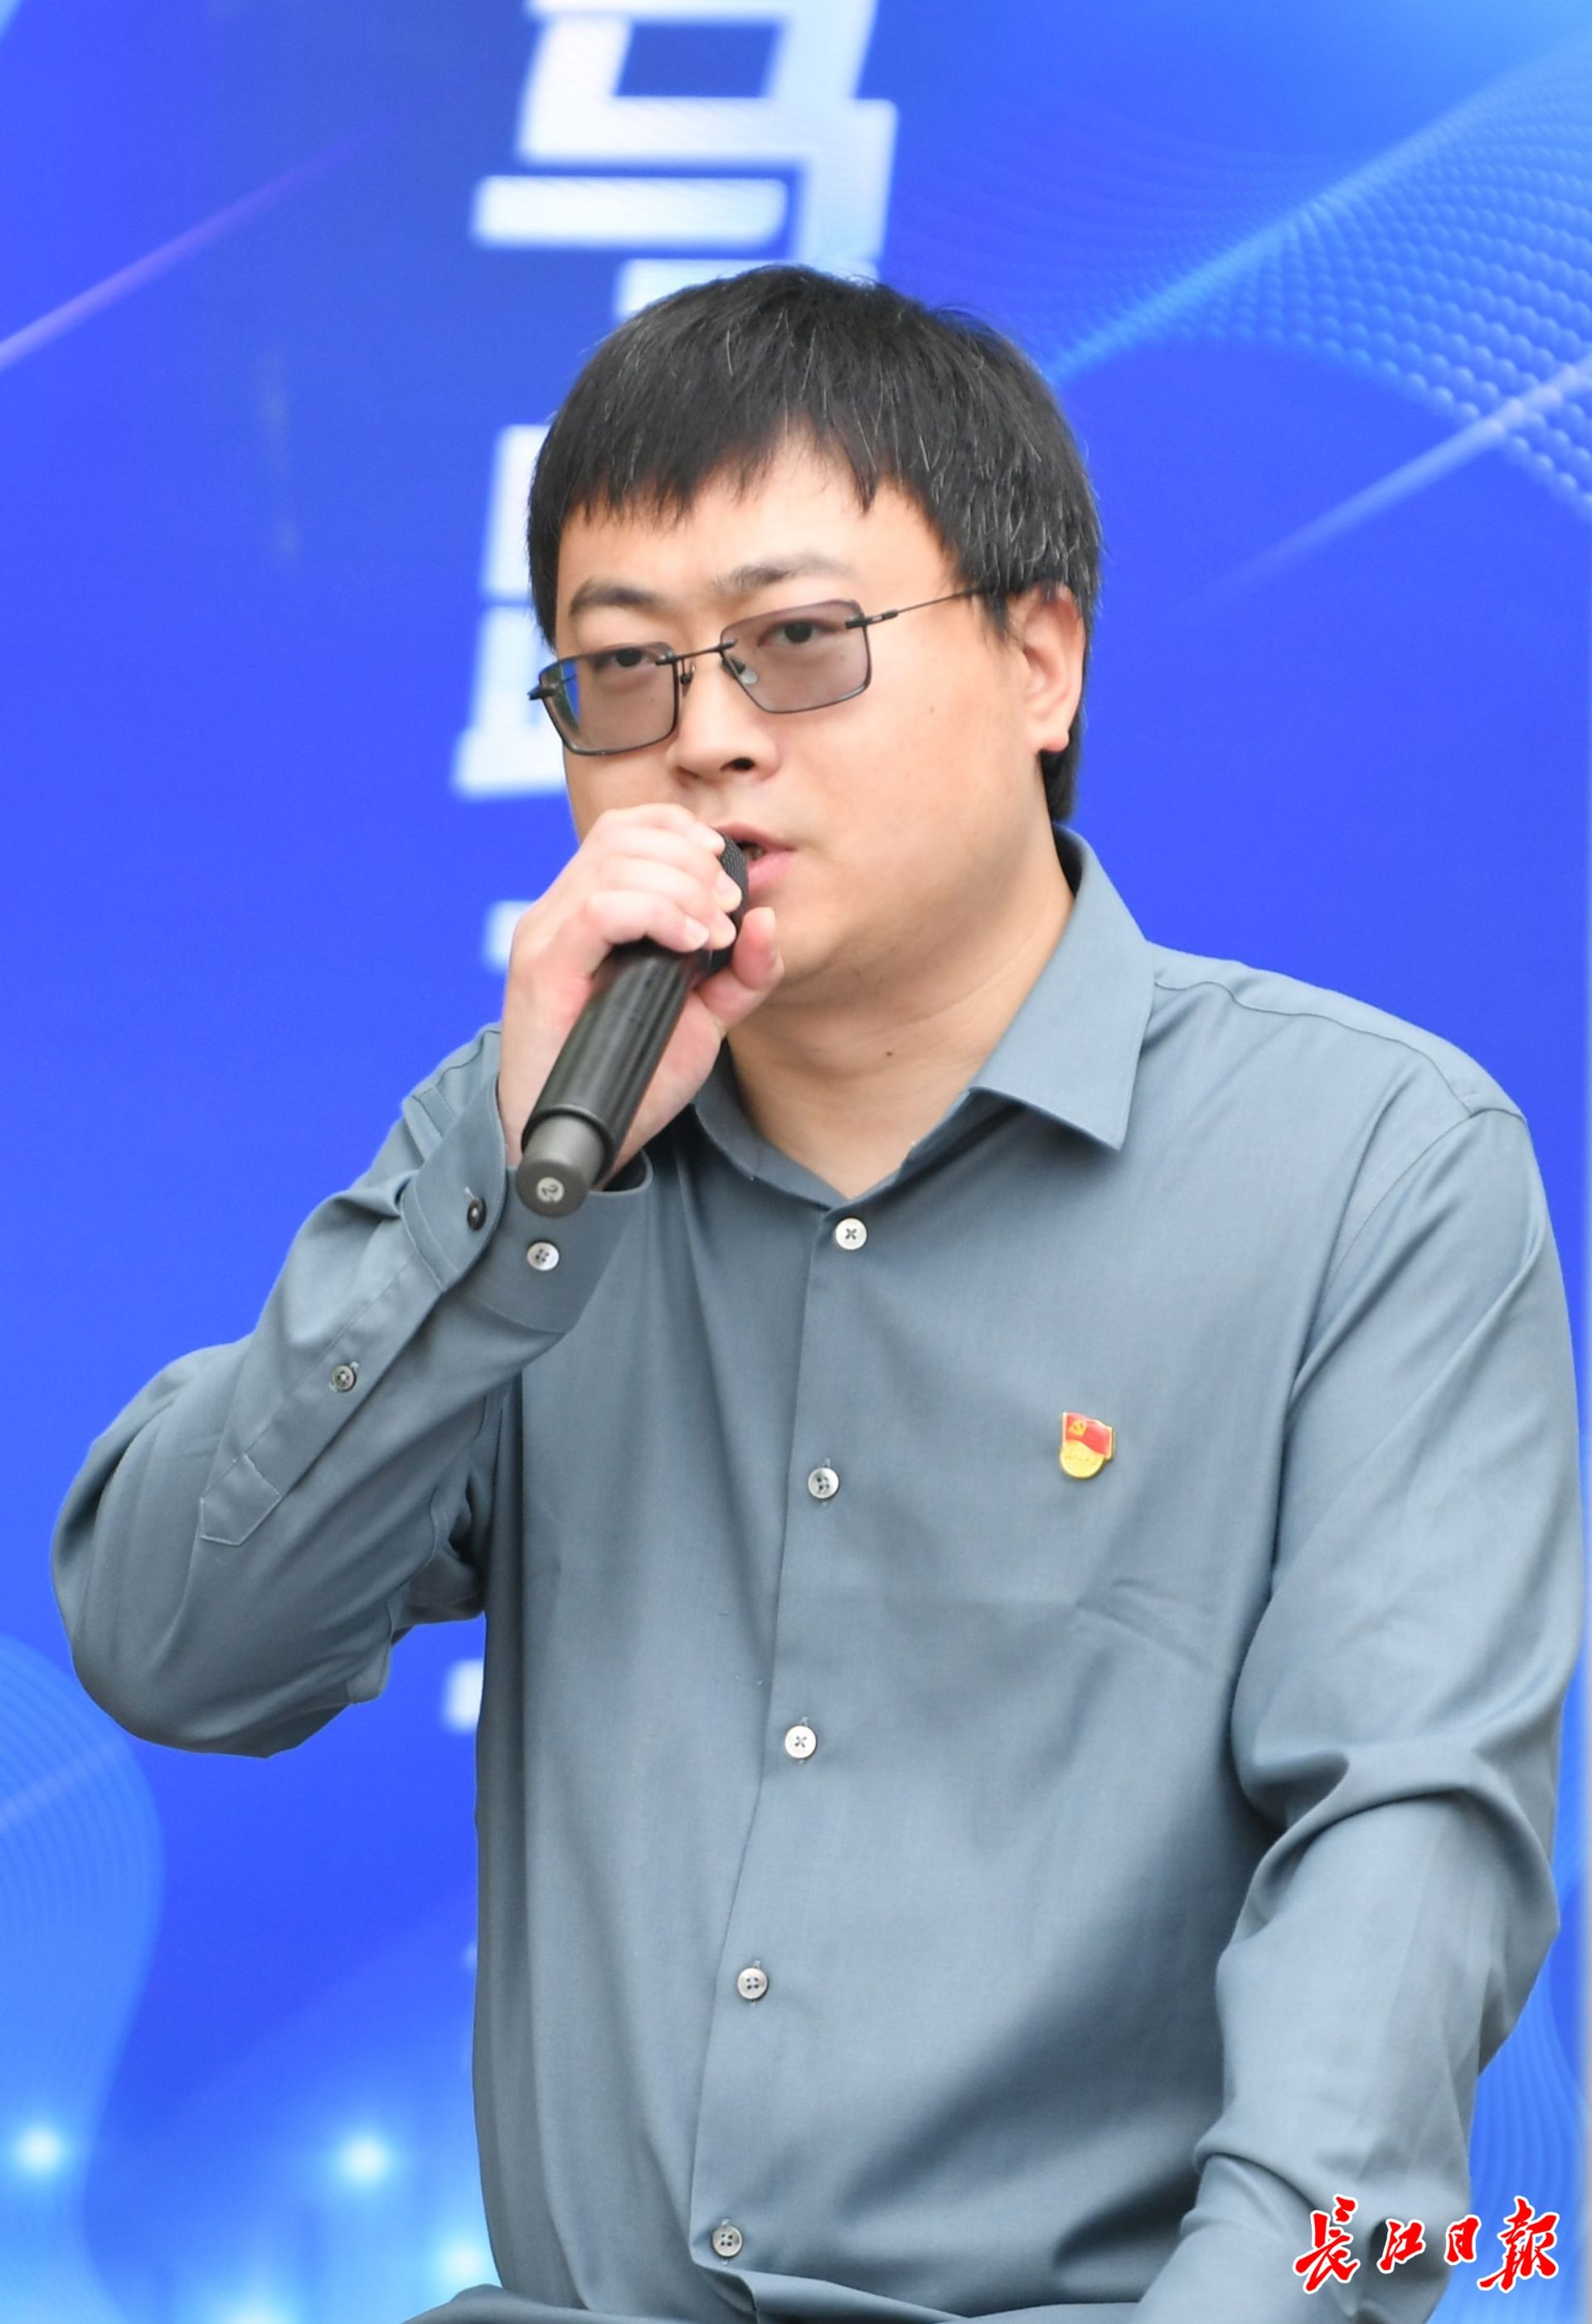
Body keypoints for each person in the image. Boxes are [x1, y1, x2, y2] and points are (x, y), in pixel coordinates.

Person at [53, 265, 1581, 2324]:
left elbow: (1405, 1858)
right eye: (622, 669)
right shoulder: (534, 1141)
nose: (702, 738)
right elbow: (177, 1651)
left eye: (795, 644)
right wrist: (516, 1208)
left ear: (1042, 658)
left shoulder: (1371, 1161)